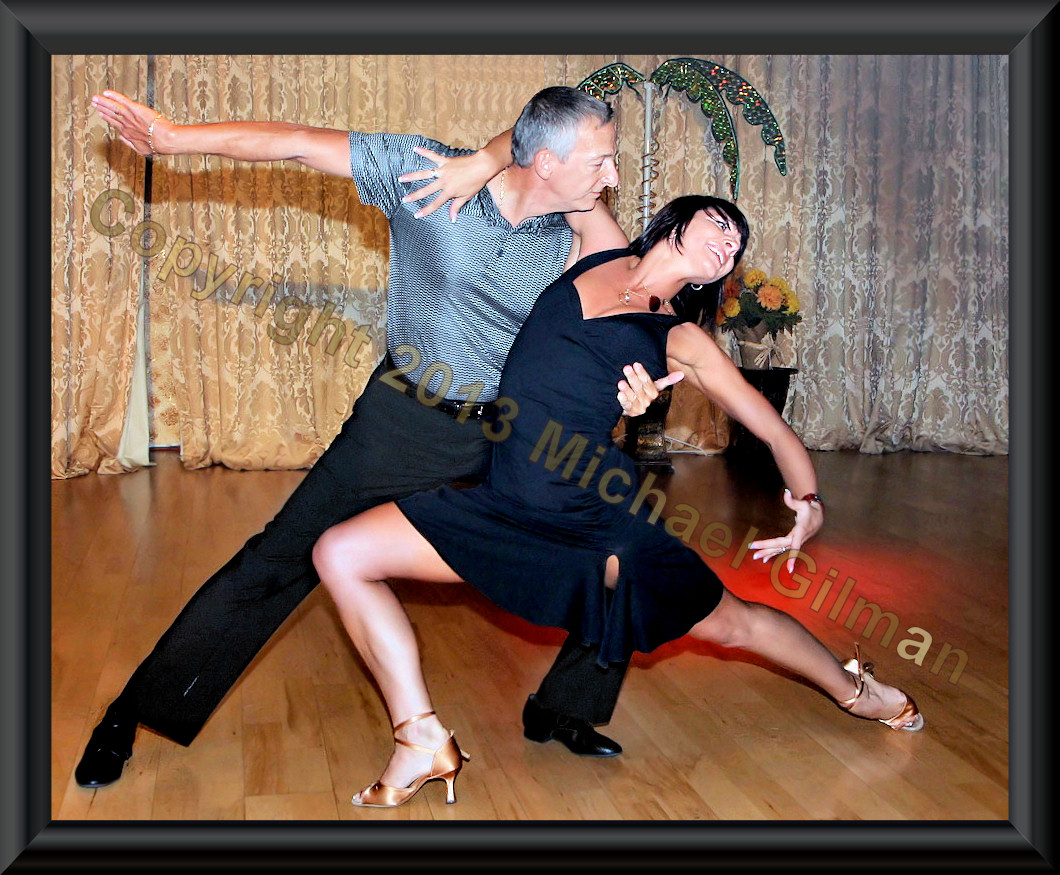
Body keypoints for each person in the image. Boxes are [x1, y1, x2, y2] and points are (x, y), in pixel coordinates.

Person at [75, 85, 679, 789]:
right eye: (601, 160)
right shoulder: (425, 175)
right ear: (545, 161)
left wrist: (637, 386)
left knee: (615, 546)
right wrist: (175, 137)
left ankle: (566, 708)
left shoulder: (580, 221)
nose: (612, 175)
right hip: (406, 420)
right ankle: (130, 711)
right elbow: (297, 143)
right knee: (277, 560)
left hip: (512, 431)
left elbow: (630, 303)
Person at [311, 195, 925, 809]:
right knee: (340, 553)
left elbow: (771, 428)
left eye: (736, 248)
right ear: (676, 219)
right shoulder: (601, 245)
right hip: (508, 501)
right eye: (721, 225)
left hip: (596, 518)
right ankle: (418, 738)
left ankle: (857, 693)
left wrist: (810, 499)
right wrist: (479, 165)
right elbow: (556, 166)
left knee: (734, 623)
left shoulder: (681, 338)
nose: (728, 246)